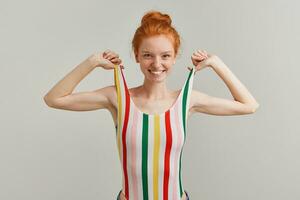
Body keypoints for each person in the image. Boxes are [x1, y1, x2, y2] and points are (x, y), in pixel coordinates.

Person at [44, 10, 259, 200]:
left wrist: (215, 63)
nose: (157, 64)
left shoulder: (187, 100)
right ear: (136, 56)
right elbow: (54, 99)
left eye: (165, 56)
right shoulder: (118, 98)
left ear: (175, 57)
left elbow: (249, 105)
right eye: (148, 55)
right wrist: (92, 62)